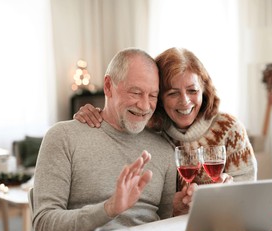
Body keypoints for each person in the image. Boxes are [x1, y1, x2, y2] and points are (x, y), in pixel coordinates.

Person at [32, 48, 178, 231]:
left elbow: (168, 225)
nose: (145, 106)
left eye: (152, 95)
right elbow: (45, 228)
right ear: (108, 86)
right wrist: (109, 208)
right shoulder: (63, 137)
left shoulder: (164, 149)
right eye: (135, 92)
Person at [75, 47, 257, 195]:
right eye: (173, 93)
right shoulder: (150, 131)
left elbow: (249, 193)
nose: (185, 102)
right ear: (159, 97)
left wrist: (230, 190)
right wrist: (94, 114)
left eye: (192, 91)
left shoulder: (229, 128)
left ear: (204, 90)